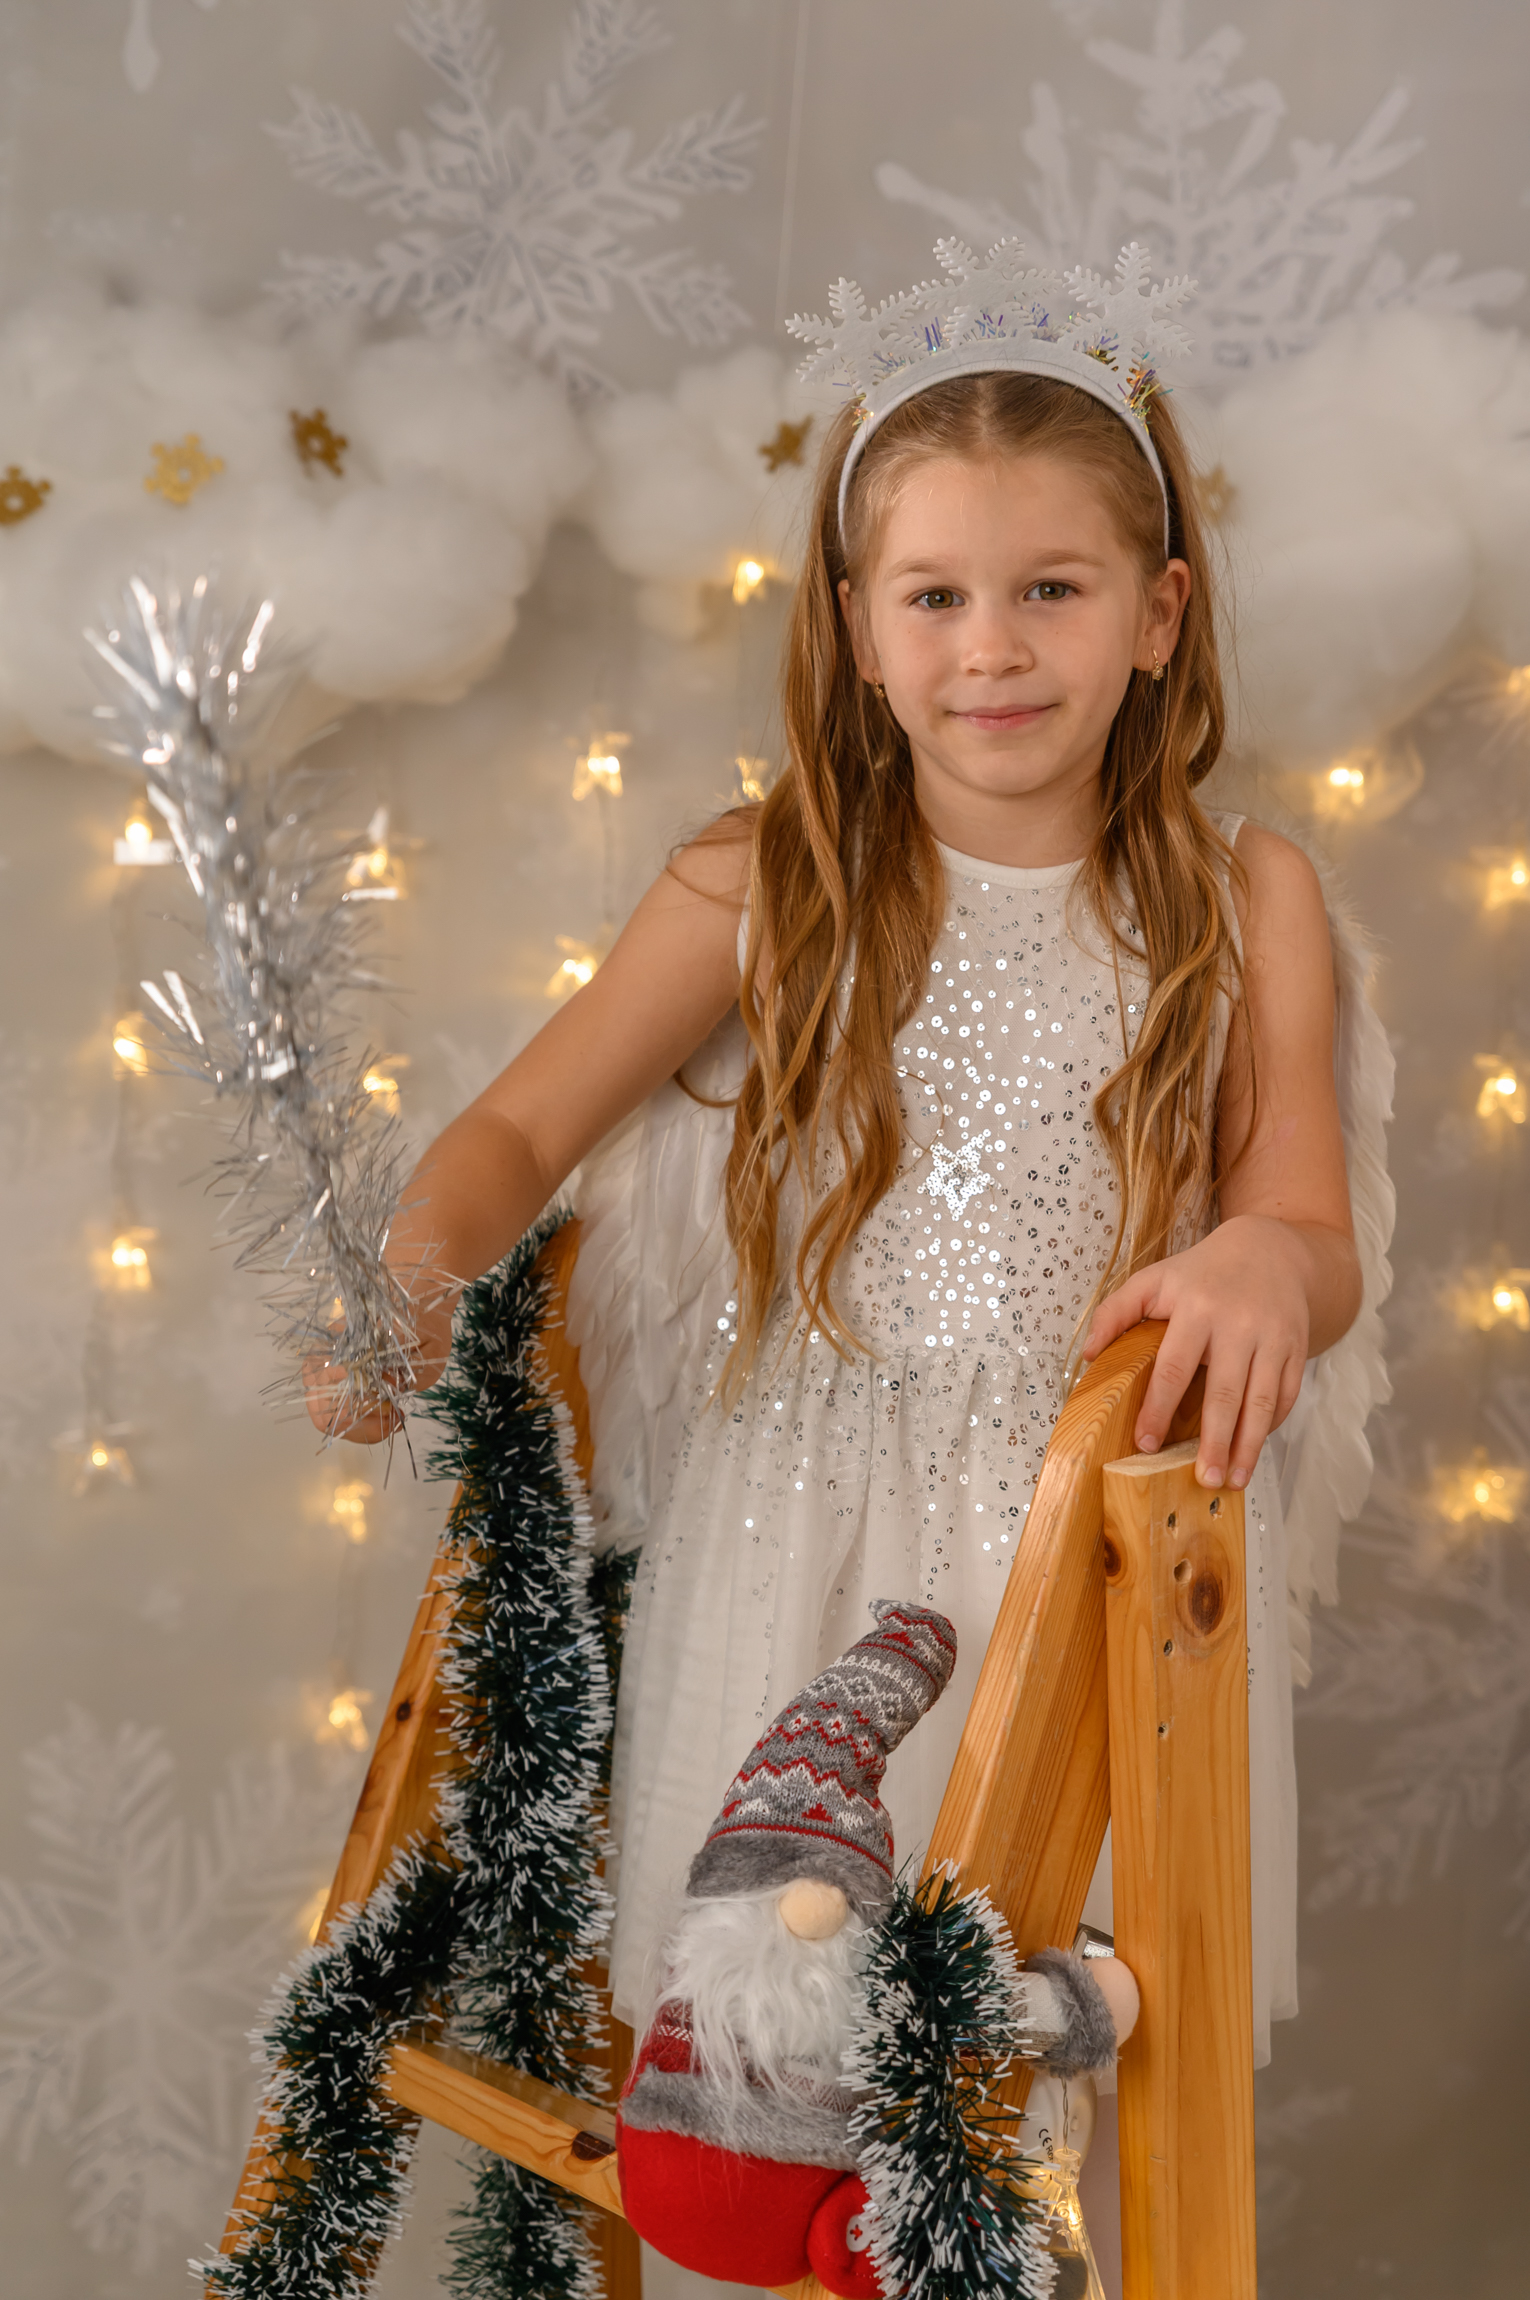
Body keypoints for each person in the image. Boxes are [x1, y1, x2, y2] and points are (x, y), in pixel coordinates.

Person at [306, 246, 1391, 2280]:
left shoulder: (1243, 896)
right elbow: (520, 1131)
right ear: (856, 627)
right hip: (790, 1550)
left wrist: (1266, 1253)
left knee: (1028, 2085)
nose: (995, 647)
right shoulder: (770, 875)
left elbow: (1313, 1227)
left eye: (1051, 588)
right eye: (936, 596)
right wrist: (414, 1273)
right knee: (769, 2087)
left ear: (1158, 615)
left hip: (1083, 1560)